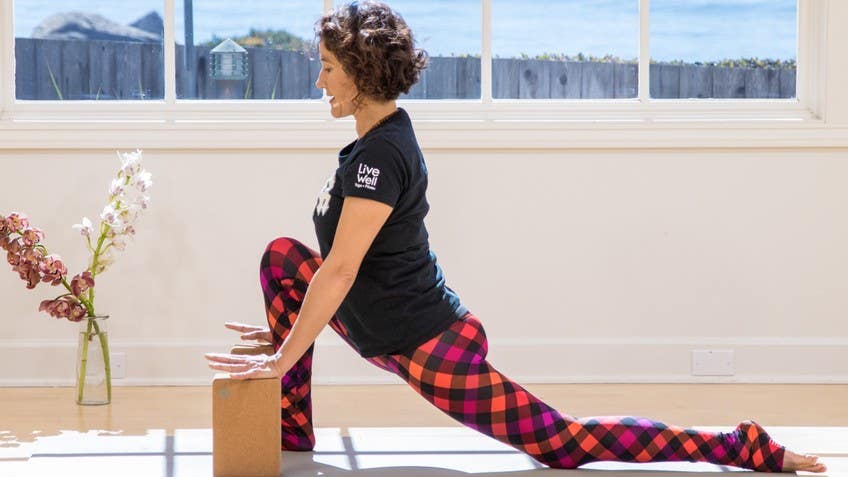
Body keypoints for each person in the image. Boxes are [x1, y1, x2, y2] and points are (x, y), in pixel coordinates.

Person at [205, 1, 826, 473]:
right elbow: (332, 271)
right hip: (381, 323)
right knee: (282, 259)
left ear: (361, 75)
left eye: (328, 69)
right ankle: (291, 429)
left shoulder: (381, 156)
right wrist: (291, 331)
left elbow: (340, 271)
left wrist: (283, 353)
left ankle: (738, 445)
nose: (320, 82)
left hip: (427, 343)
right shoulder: (370, 146)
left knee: (564, 445)